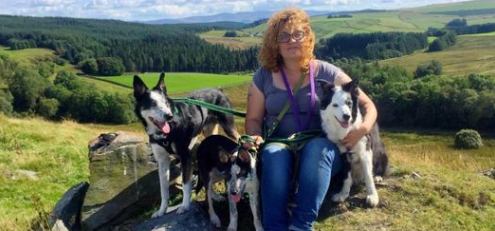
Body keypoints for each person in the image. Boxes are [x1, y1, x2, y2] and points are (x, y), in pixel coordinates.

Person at [244, 7, 378, 231]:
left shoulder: (326, 71)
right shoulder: (263, 76)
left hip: (321, 144)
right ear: (274, 43)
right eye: (284, 36)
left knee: (318, 150)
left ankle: (301, 225)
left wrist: (363, 129)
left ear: (307, 38)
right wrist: (254, 137)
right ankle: (274, 227)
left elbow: (368, 105)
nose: (292, 40)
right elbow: (254, 119)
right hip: (281, 143)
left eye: (298, 34)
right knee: (273, 155)